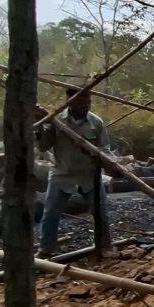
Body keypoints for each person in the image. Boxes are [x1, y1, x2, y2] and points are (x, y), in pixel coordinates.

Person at [35, 87, 112, 257]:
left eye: (88, 102)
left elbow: (105, 148)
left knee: (100, 212)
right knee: (50, 212)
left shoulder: (96, 122)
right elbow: (43, 146)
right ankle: (46, 249)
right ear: (69, 102)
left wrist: (105, 160)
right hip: (61, 172)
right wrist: (40, 125)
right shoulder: (55, 120)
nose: (86, 105)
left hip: (89, 175)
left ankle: (105, 246)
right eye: (81, 102)